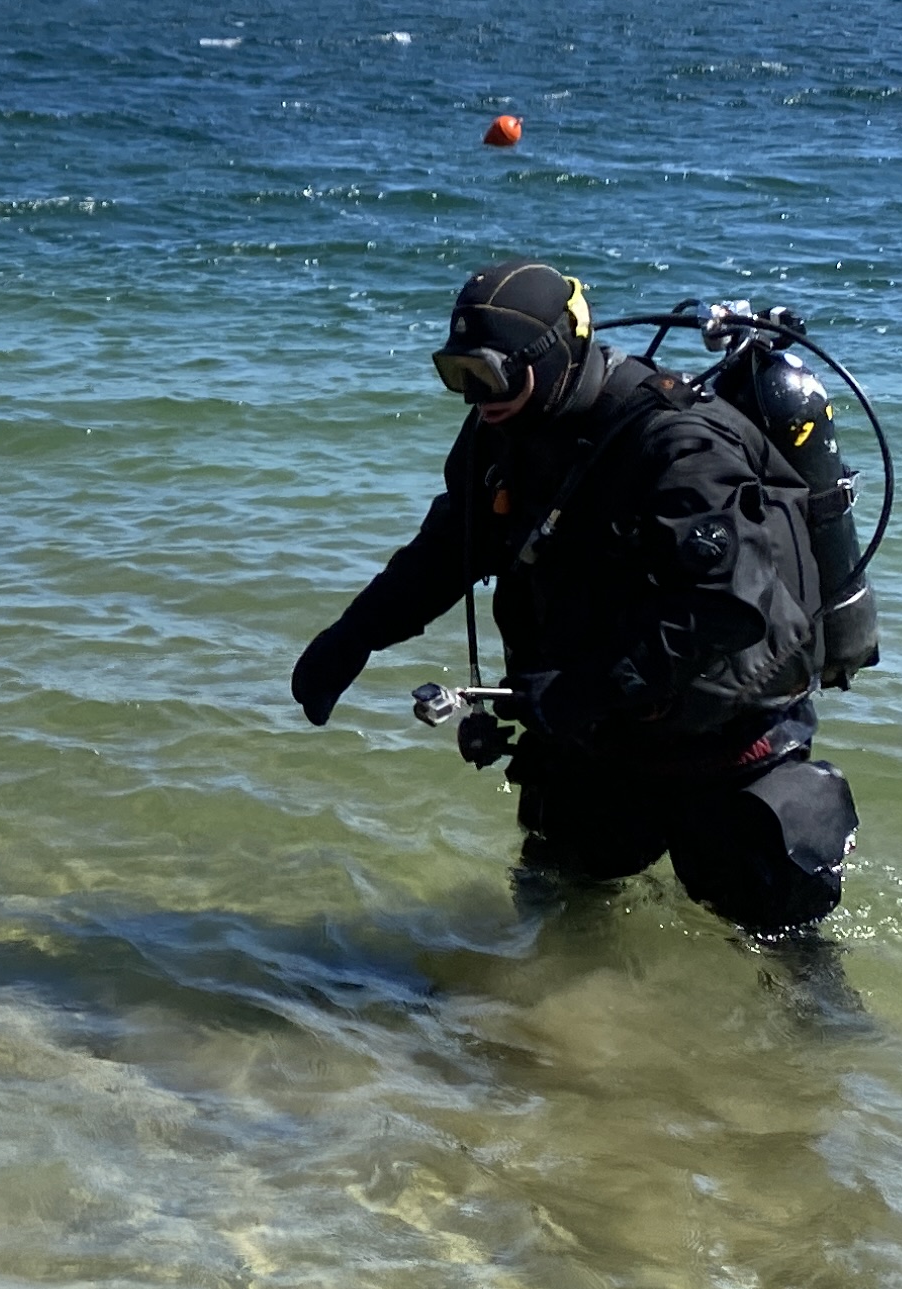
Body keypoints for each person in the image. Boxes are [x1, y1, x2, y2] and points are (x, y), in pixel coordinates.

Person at [290, 261, 867, 935]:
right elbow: (450, 548)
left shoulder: (679, 449)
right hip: (599, 738)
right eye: (458, 376)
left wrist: (582, 690)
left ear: (553, 353)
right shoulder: (500, 434)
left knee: (783, 955)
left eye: (492, 375)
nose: (478, 397)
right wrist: (355, 635)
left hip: (725, 740)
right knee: (556, 911)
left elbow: (726, 609)